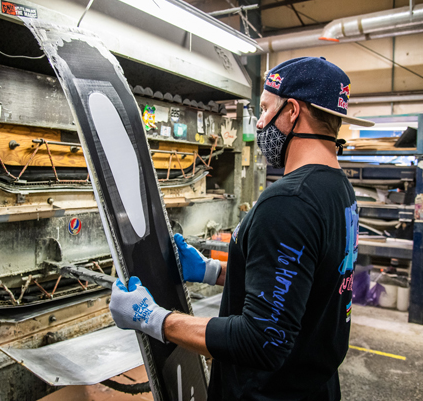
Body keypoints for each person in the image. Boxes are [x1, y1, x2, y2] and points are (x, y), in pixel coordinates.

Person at [109, 57, 375, 400]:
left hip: (267, 392)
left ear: (292, 111)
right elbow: (301, 282)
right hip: (313, 387)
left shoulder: (288, 202)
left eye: (265, 110)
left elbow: (261, 340)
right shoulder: (339, 189)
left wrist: (154, 319)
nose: (261, 123)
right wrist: (213, 271)